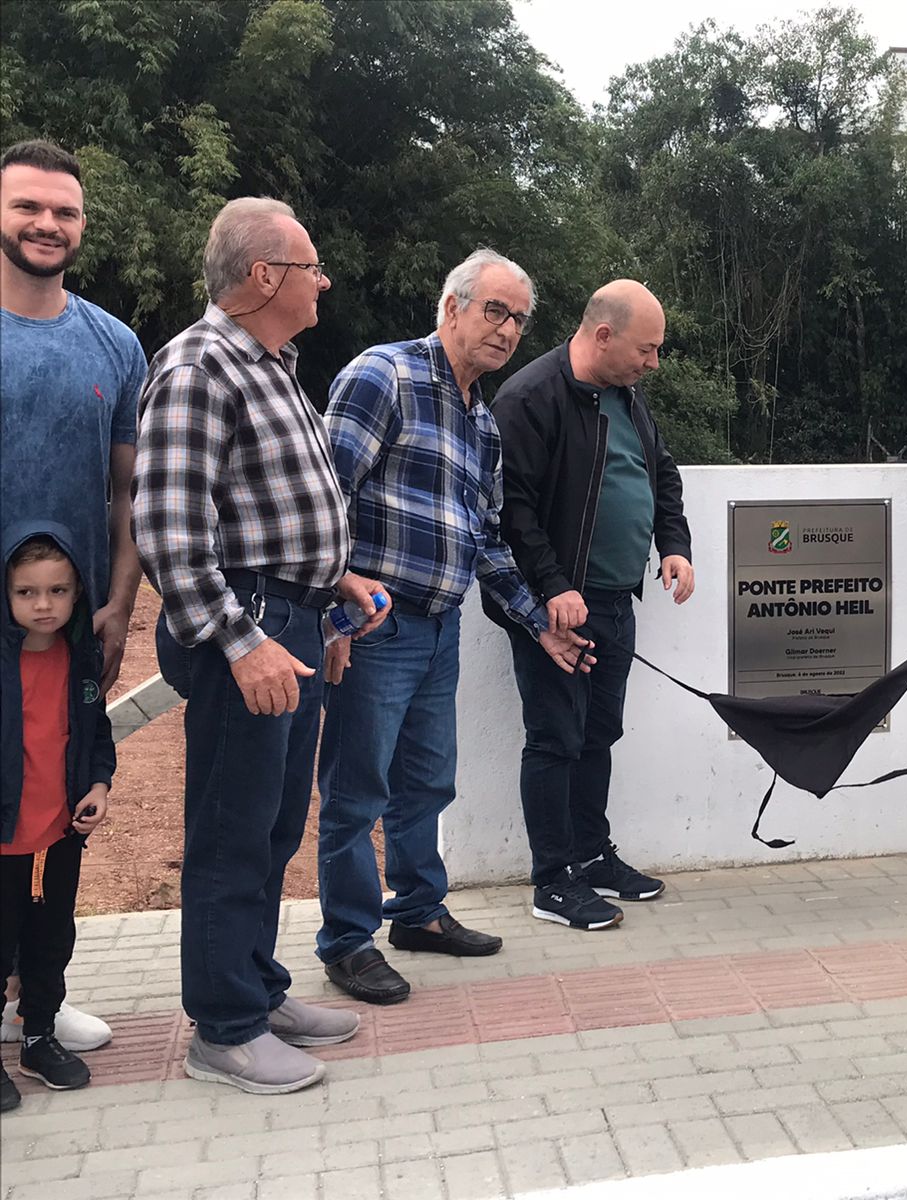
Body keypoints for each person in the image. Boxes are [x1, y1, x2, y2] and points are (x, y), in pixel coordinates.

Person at [133, 197, 386, 1094]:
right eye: (311, 265)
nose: (323, 280)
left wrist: (337, 582)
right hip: (247, 628)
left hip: (293, 618)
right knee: (232, 834)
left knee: (276, 826)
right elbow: (169, 529)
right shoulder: (200, 365)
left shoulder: (273, 364)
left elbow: (277, 507)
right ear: (265, 276)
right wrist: (243, 645)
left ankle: (257, 989)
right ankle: (225, 1031)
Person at [317, 250, 595, 1005]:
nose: (506, 330)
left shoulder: (482, 419)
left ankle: (417, 913)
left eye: (518, 319)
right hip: (374, 626)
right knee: (356, 792)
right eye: (493, 311)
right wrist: (330, 615)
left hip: (439, 627)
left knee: (426, 783)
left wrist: (539, 624)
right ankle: (346, 940)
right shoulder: (386, 376)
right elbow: (323, 501)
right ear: (452, 307)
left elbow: (489, 541)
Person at [490, 279, 693, 930]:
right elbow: (511, 509)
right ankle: (552, 883)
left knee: (599, 733)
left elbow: (660, 472)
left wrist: (674, 544)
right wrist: (554, 587)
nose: (653, 364)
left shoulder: (627, 397)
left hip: (614, 600)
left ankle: (591, 856)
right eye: (647, 349)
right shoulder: (530, 397)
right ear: (603, 335)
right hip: (559, 610)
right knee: (555, 738)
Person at [0, 138, 140, 1054]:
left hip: (67, 624)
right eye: (29, 207)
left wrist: (122, 602)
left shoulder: (114, 343)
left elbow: (130, 492)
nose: (48, 225)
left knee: (52, 810)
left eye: (65, 212)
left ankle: (34, 1003)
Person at [0, 530, 113, 1112]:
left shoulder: (80, 660)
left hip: (59, 837)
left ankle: (39, 1036)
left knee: (51, 941)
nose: (42, 604)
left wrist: (98, 783)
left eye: (57, 590)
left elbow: (98, 735)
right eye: (26, 591)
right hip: (4, 840)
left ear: (76, 594)